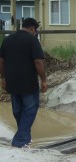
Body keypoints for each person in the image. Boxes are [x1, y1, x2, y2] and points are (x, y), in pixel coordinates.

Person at [0, 17, 47, 148]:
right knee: (30, 109)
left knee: (17, 110)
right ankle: (20, 141)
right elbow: (38, 62)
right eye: (35, 31)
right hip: (28, 82)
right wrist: (43, 80)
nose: (35, 33)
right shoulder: (32, 40)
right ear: (32, 28)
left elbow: (1, 61)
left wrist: (2, 78)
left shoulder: (7, 39)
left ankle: (25, 137)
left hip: (12, 82)